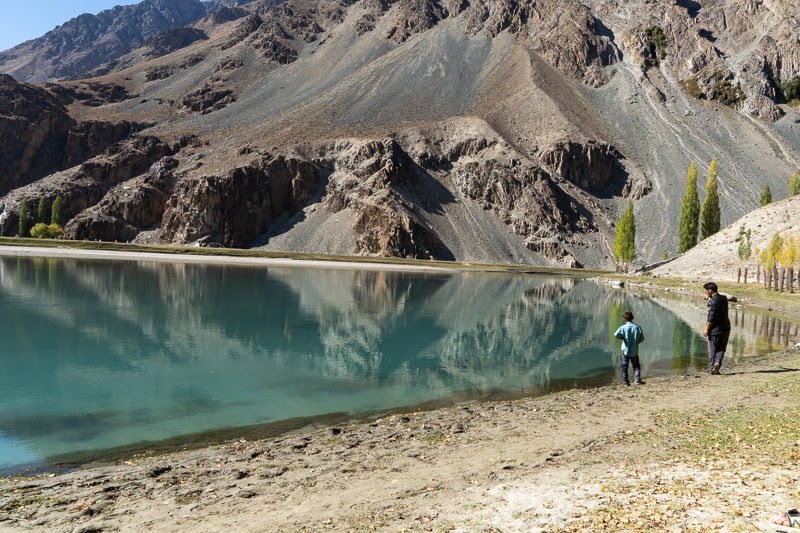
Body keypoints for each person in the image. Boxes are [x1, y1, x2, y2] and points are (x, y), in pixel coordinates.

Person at [702, 281, 731, 375]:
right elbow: (717, 302)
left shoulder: (713, 302)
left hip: (715, 330)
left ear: (710, 290)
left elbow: (711, 317)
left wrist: (706, 329)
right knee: (722, 348)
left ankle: (712, 367)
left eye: (707, 291)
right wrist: (709, 299)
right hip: (726, 327)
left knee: (712, 349)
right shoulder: (724, 298)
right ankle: (718, 363)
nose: (706, 292)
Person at [614, 310, 644, 386]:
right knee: (636, 365)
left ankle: (625, 382)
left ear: (624, 319)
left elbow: (616, 335)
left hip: (625, 350)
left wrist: (622, 338)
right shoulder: (637, 327)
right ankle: (637, 380)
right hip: (634, 350)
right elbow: (642, 338)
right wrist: (636, 342)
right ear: (632, 318)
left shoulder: (622, 327)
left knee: (624, 365)